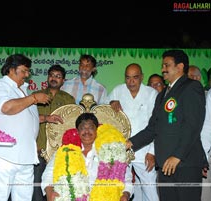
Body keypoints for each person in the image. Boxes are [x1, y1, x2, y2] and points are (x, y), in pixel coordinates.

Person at [126, 49, 207, 201]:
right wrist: (129, 143)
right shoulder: (162, 94)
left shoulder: (191, 87)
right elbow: (152, 129)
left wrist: (177, 156)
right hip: (164, 165)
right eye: (162, 65)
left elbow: (193, 125)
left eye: (166, 65)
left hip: (185, 163)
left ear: (180, 66)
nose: (163, 69)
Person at [0, 53, 62, 201]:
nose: (27, 74)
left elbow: (24, 118)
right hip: (4, 155)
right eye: (24, 70)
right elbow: (6, 107)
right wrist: (34, 98)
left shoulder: (23, 90)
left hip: (25, 156)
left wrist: (45, 118)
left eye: (28, 71)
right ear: (11, 70)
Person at [41, 112, 134, 201]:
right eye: (82, 128)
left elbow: (127, 179)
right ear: (77, 131)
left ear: (96, 130)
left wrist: (125, 195)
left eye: (91, 128)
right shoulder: (63, 152)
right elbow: (48, 175)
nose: (86, 131)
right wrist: (49, 192)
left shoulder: (111, 151)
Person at [107, 63, 159, 201]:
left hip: (144, 149)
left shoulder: (152, 94)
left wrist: (152, 152)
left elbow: (156, 125)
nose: (131, 82)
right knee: (125, 187)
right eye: (128, 78)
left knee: (150, 188)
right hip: (121, 148)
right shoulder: (117, 91)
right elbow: (104, 113)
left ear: (142, 77)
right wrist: (110, 103)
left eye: (135, 77)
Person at [32, 64, 75, 201]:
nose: (54, 78)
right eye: (52, 75)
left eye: (58, 76)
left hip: (59, 150)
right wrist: (45, 118)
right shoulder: (36, 96)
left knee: (57, 184)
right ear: (47, 77)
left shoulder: (69, 100)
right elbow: (28, 119)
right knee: (36, 185)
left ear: (63, 80)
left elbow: (72, 125)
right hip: (39, 147)